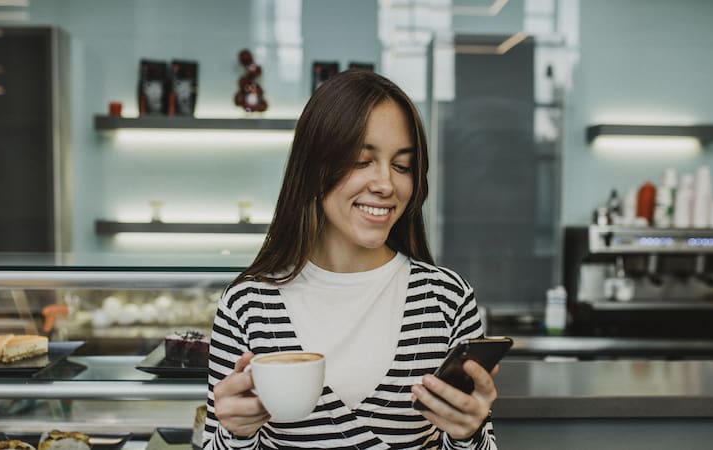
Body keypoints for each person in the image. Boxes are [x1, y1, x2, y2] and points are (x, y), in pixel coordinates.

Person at [203, 70, 500, 449]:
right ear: (314, 168)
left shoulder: (447, 299)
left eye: (402, 166)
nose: (385, 184)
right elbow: (218, 440)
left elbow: (479, 442)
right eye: (362, 160)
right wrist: (235, 435)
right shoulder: (248, 305)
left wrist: (469, 435)